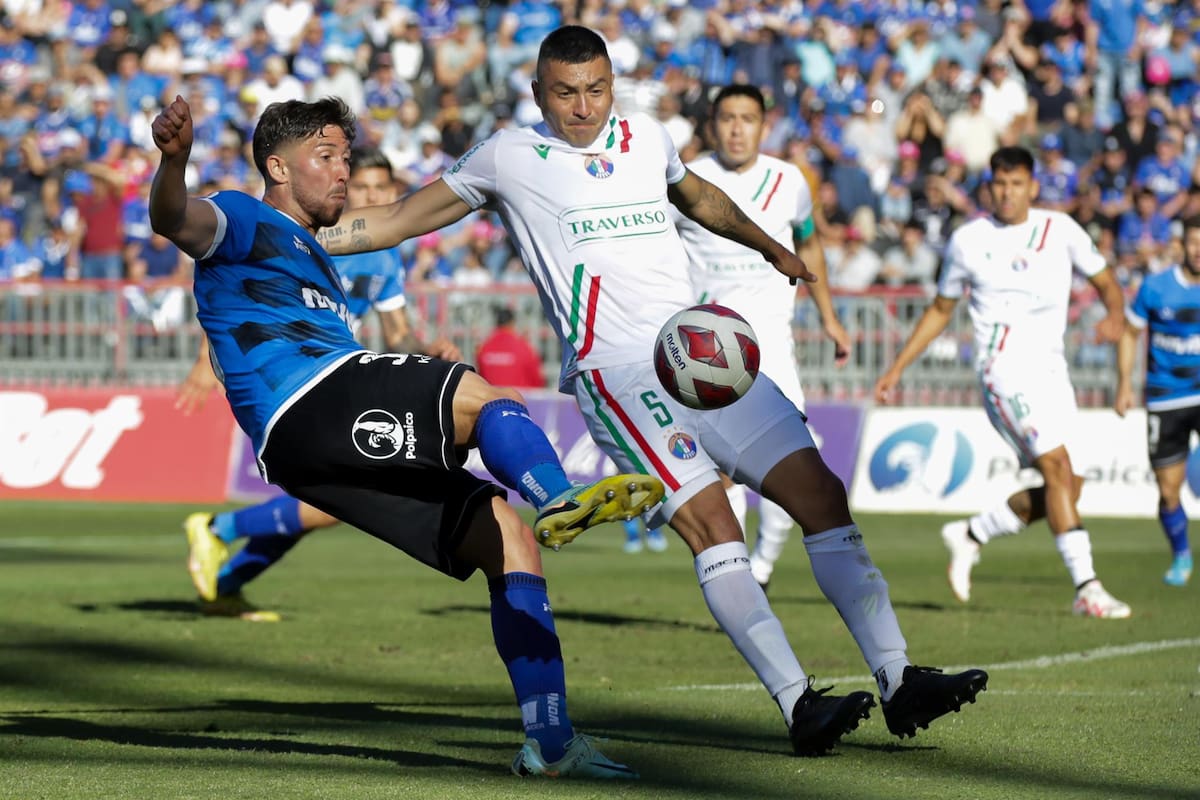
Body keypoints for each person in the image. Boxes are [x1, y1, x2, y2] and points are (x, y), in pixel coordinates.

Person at [315, 26, 988, 758]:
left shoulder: (647, 137)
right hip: (617, 374)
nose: (583, 107)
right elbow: (398, 219)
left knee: (822, 495)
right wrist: (296, 234)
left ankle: (898, 678)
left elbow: (697, 196)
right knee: (713, 525)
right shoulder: (508, 155)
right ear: (539, 92)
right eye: (566, 93)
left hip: (704, 353)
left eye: (596, 90)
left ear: (613, 85)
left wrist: (769, 246)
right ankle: (799, 703)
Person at [150, 94, 664, 778]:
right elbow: (175, 218)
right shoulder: (243, 216)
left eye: (346, 157)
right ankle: (559, 495)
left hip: (308, 448)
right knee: (481, 398)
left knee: (505, 540)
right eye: (325, 157)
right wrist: (174, 161)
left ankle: (551, 743)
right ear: (276, 165)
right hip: (306, 400)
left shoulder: (319, 253)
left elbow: (380, 252)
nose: (341, 171)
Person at [175, 147, 465, 621]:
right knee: (329, 503)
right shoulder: (309, 237)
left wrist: (425, 349)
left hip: (336, 383)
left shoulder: (385, 260)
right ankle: (218, 529)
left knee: (320, 502)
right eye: (363, 186)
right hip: (285, 380)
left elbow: (397, 335)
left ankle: (226, 581)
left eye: (381, 189)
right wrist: (204, 363)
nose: (371, 195)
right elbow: (242, 294)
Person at [874, 146, 1132, 619]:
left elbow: (1107, 280)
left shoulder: (1062, 230)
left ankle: (973, 533)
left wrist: (1115, 315)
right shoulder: (968, 240)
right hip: (1002, 370)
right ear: (989, 186)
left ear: (1033, 187)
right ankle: (1087, 588)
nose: (1008, 192)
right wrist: (897, 367)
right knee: (1056, 469)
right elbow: (939, 310)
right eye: (999, 183)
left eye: (1017, 183)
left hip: (1053, 371)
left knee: (1068, 486)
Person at [672, 83, 851, 592]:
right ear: (712, 124)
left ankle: (764, 566)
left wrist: (830, 319)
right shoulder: (688, 181)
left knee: (788, 462)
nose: (736, 128)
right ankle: (740, 573)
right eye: (726, 118)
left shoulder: (790, 180)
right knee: (727, 471)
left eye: (747, 118)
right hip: (707, 349)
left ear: (763, 125)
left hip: (773, 343)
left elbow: (809, 246)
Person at [1114, 215, 1200, 587]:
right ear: (1183, 245)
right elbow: (1130, 334)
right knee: (1168, 488)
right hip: (1166, 398)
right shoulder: (1156, 287)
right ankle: (1181, 556)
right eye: (1195, 242)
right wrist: (1124, 385)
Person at [474, 305, 544, 389]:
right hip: (519, 399)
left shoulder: (483, 348)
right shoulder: (524, 347)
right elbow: (537, 381)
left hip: (492, 400)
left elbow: (480, 378)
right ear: (512, 323)